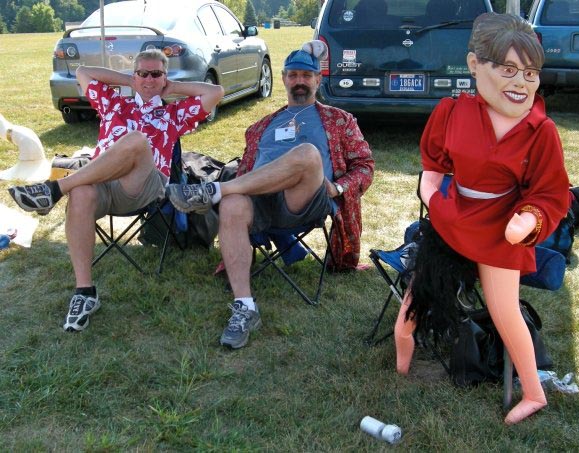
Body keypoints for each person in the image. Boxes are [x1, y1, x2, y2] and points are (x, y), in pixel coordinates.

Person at [393, 13, 570, 425]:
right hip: (452, 219)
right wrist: (432, 195)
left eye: (530, 73)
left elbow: (550, 191)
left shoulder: (540, 131)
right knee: (414, 305)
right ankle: (402, 362)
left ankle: (534, 392)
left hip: (502, 229)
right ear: (475, 65)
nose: (521, 82)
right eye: (508, 69)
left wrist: (528, 219)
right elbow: (432, 168)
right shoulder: (452, 112)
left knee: (505, 312)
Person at [166, 41, 374, 350]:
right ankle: (244, 307)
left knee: (306, 153)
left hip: (305, 199)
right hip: (259, 199)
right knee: (233, 205)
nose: (300, 81)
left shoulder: (340, 120)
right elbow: (248, 169)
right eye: (294, 75)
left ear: (318, 80)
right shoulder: (261, 126)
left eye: (306, 75)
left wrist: (338, 187)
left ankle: (214, 191)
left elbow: (365, 166)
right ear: (284, 78)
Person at [8, 49, 224, 332]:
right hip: (103, 185)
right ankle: (85, 292)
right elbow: (83, 72)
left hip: (144, 186)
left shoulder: (173, 113)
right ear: (135, 76)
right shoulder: (113, 103)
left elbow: (216, 92)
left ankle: (54, 190)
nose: (149, 79)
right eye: (142, 73)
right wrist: (129, 80)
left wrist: (172, 87)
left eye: (156, 74)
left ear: (164, 77)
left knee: (136, 141)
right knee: (82, 193)